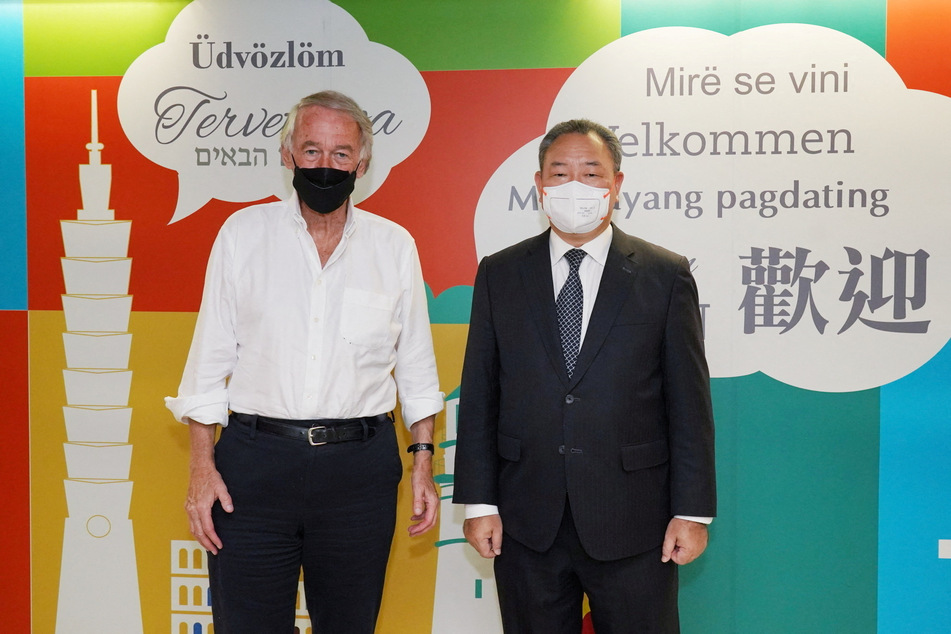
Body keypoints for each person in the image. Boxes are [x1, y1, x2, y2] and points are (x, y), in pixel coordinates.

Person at [165, 90, 443, 634]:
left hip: (358, 473)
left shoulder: (394, 246)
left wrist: (423, 465)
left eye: (341, 154)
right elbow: (207, 365)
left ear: (362, 164)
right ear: (288, 154)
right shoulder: (242, 236)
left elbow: (416, 369)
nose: (325, 165)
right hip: (253, 469)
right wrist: (201, 468)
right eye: (311, 150)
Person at [452, 119, 716, 633]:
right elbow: (482, 392)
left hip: (636, 521)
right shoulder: (501, 273)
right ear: (540, 186)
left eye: (591, 173)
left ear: (617, 184)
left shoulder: (664, 274)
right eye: (560, 173)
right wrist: (479, 502)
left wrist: (693, 511)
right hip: (526, 522)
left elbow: (689, 403)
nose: (575, 187)